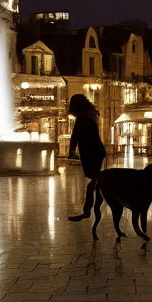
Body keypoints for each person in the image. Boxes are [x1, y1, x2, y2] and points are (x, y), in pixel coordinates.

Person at [67, 94, 106, 222]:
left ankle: (88, 211)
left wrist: (71, 151)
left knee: (94, 182)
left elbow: (75, 136)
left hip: (92, 154)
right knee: (95, 181)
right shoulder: (88, 115)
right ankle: (91, 209)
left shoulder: (83, 118)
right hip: (95, 152)